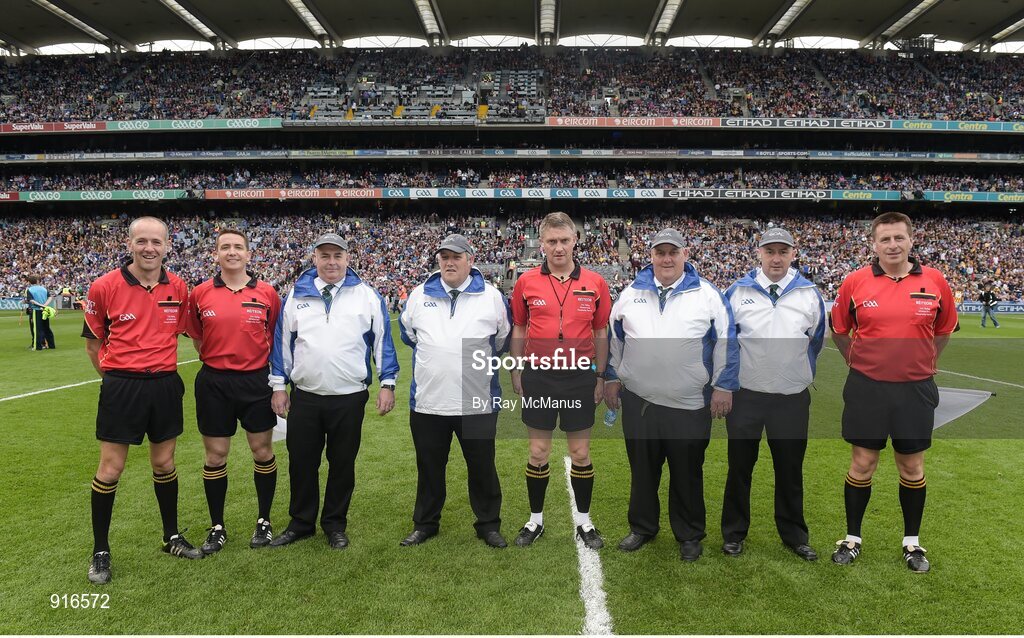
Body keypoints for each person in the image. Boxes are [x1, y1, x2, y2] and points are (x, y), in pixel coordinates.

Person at [830, 212, 958, 573]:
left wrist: (925, 363)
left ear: (911, 241)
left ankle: (912, 543)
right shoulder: (855, 282)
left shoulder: (935, 281)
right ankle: (851, 539)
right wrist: (857, 363)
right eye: (885, 239)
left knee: (912, 466)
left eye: (899, 238)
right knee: (863, 463)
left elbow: (945, 329)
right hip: (867, 388)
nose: (892, 245)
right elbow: (839, 330)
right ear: (874, 244)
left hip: (915, 389)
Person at [604, 228, 738, 562]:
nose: (666, 258)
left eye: (672, 252)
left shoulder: (707, 294)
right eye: (660, 252)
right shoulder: (631, 292)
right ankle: (643, 527)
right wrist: (611, 377)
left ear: (684, 255)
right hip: (640, 401)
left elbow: (727, 341)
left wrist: (723, 386)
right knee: (643, 469)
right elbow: (614, 339)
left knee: (687, 471)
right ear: (650, 255)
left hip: (689, 403)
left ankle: (690, 533)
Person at [82, 216, 203, 586]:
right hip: (122, 386)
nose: (149, 248)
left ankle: (171, 537)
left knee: (165, 462)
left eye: (156, 242)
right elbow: (92, 343)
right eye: (142, 241)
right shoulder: (104, 286)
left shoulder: (180, 287)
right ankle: (100, 550)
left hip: (165, 385)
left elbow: (189, 332)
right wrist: (116, 379)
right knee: (111, 468)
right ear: (130, 243)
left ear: (168, 246)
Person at [268, 233, 399, 550]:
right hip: (306, 396)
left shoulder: (366, 295)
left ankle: (335, 524)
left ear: (347, 258)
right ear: (315, 258)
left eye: (337, 256)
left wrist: (387, 383)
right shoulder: (296, 294)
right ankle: (301, 523)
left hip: (349, 397)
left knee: (342, 464)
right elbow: (282, 345)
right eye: (324, 255)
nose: (331, 262)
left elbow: (383, 341)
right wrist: (278, 386)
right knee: (301, 462)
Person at [397, 234, 510, 548]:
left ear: (470, 260)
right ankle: (425, 523)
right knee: (429, 467)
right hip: (429, 402)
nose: (449, 262)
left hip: (477, 402)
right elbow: (409, 335)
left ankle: (488, 524)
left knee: (482, 467)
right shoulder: (419, 295)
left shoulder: (491, 296)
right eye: (444, 256)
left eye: (456, 256)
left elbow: (500, 341)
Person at [720, 227, 825, 561]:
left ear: (794, 253)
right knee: (739, 467)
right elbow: (725, 341)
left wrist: (795, 372)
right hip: (746, 396)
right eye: (770, 251)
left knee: (790, 469)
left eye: (783, 251)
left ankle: (794, 535)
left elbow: (816, 339)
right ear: (759, 253)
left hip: (791, 397)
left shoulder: (809, 293)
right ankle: (734, 533)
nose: (776, 258)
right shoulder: (737, 291)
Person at [509, 212, 611, 550]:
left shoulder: (595, 282)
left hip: (579, 376)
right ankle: (535, 520)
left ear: (575, 241)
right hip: (538, 375)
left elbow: (600, 331)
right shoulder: (526, 282)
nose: (558, 248)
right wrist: (517, 367)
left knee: (580, 452)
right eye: (552, 241)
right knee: (538, 451)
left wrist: (600, 374)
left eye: (564, 240)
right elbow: (520, 328)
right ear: (542, 244)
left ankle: (584, 521)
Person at [186, 228, 282, 553]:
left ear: (248, 254)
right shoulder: (199, 293)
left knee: (262, 451)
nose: (232, 252)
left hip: (256, 381)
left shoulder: (268, 293)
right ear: (216, 254)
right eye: (225, 247)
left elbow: (273, 336)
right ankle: (217, 526)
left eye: (238, 247)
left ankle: (264, 521)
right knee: (215, 456)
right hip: (214, 382)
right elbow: (198, 338)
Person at [26, 274, 56, 350]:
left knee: (37, 329)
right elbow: (50, 297)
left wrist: (40, 305)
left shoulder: (29, 289)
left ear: (30, 282)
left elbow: (31, 300)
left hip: (36, 310)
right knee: (46, 328)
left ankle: (37, 346)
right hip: (45, 310)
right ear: (37, 281)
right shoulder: (44, 289)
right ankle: (51, 345)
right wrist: (45, 305)